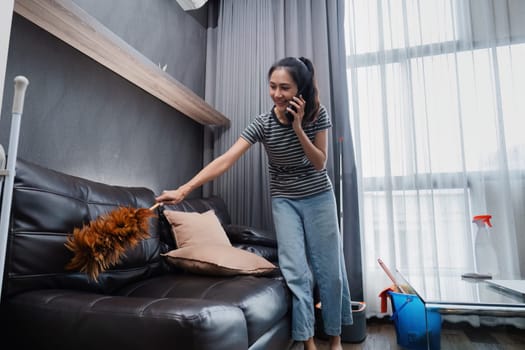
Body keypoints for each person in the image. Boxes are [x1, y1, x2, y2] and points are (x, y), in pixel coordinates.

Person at [155, 56, 353, 350]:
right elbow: (226, 160)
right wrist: (184, 190)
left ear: (300, 89)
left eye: (284, 88)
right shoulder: (262, 123)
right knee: (295, 272)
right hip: (285, 200)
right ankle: (308, 342)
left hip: (318, 197)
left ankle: (335, 339)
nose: (276, 94)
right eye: (272, 86)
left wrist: (298, 128)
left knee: (330, 271)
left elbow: (320, 163)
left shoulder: (317, 115)